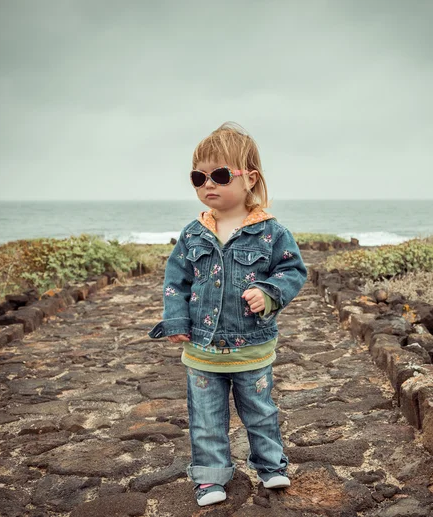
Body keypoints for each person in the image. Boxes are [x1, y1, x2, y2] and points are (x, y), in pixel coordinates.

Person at [148, 122, 307, 507]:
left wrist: (269, 293)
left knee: (261, 412)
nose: (208, 184)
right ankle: (210, 477)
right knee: (205, 419)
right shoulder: (192, 234)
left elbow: (293, 271)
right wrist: (176, 321)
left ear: (249, 178)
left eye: (219, 174)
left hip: (252, 348)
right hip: (202, 350)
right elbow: (176, 282)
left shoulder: (271, 232)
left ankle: (271, 467)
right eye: (198, 177)